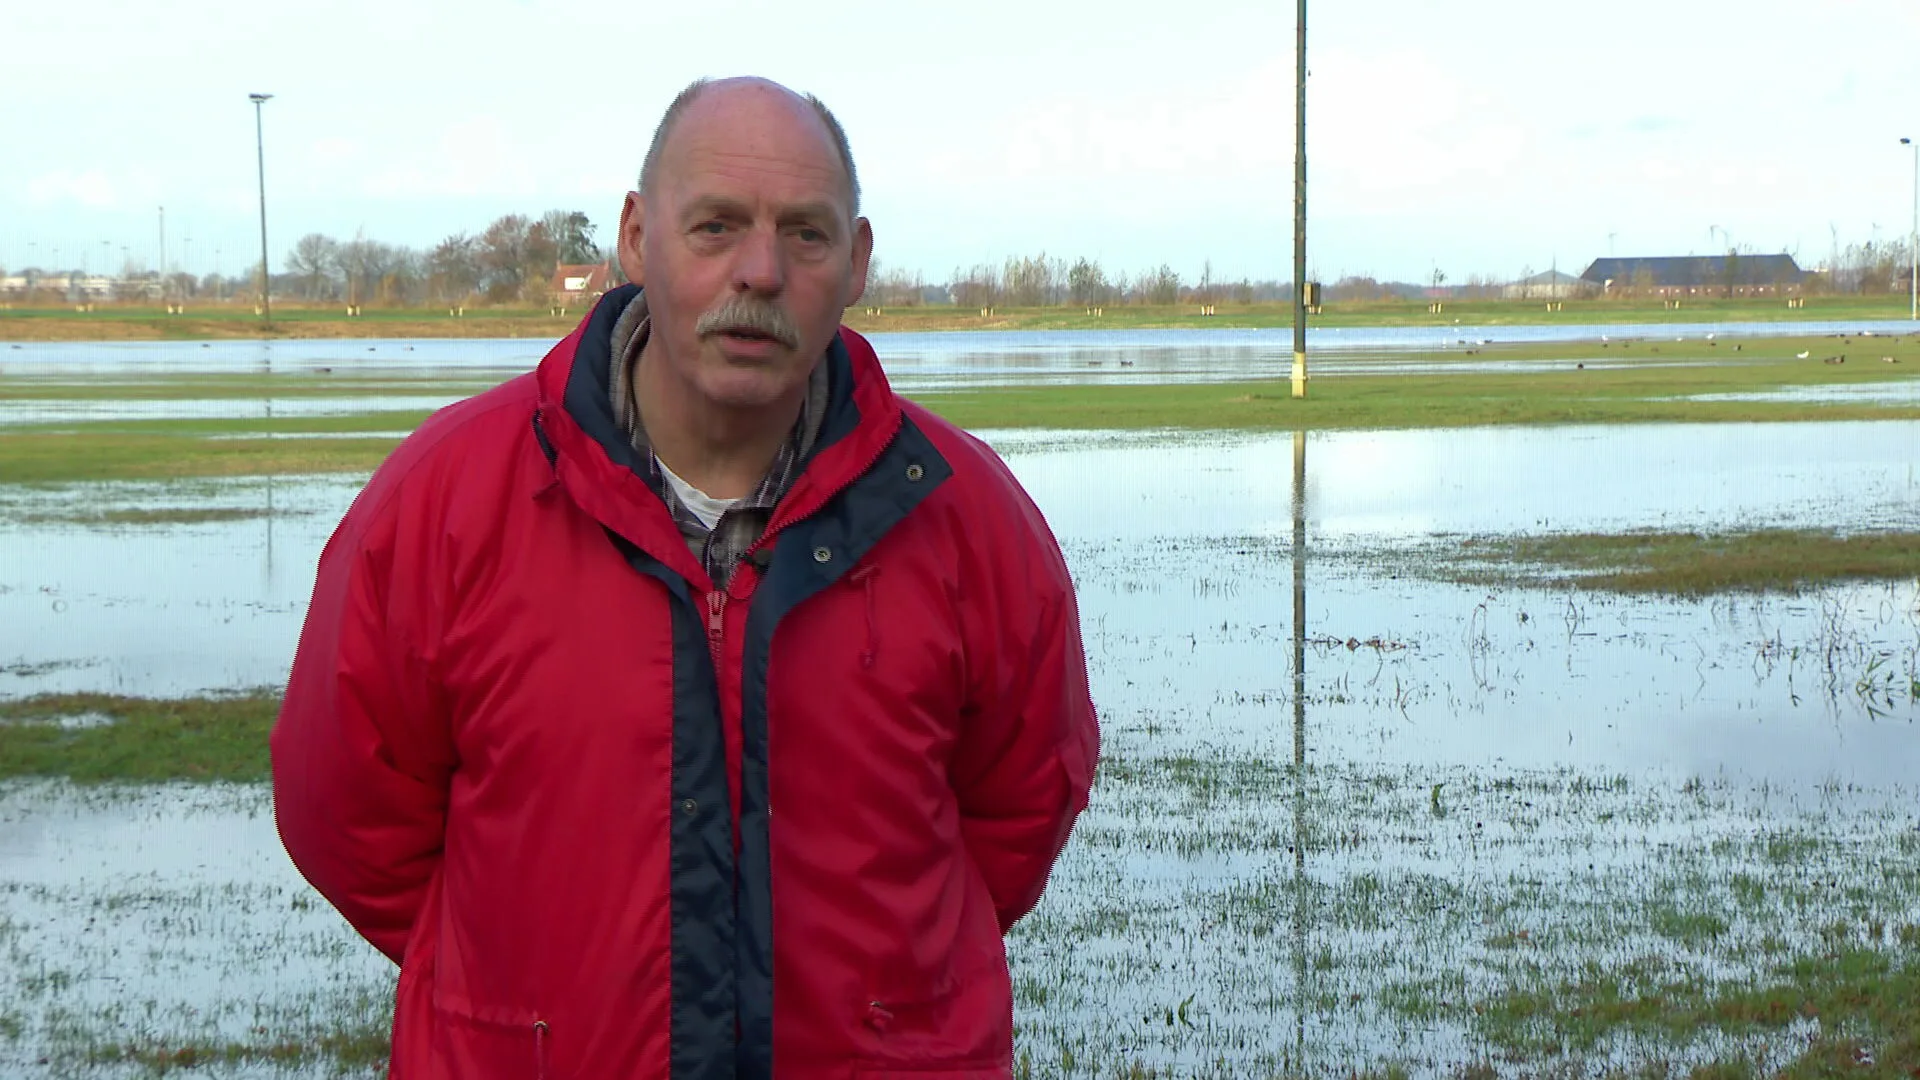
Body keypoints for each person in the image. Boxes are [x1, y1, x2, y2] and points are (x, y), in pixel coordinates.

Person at [270, 76, 1100, 1079]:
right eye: (715, 226)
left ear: (858, 262)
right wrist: (528, 994)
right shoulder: (446, 502)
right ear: (635, 236)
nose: (759, 269)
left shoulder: (964, 516)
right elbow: (343, 813)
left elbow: (1019, 808)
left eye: (806, 234)